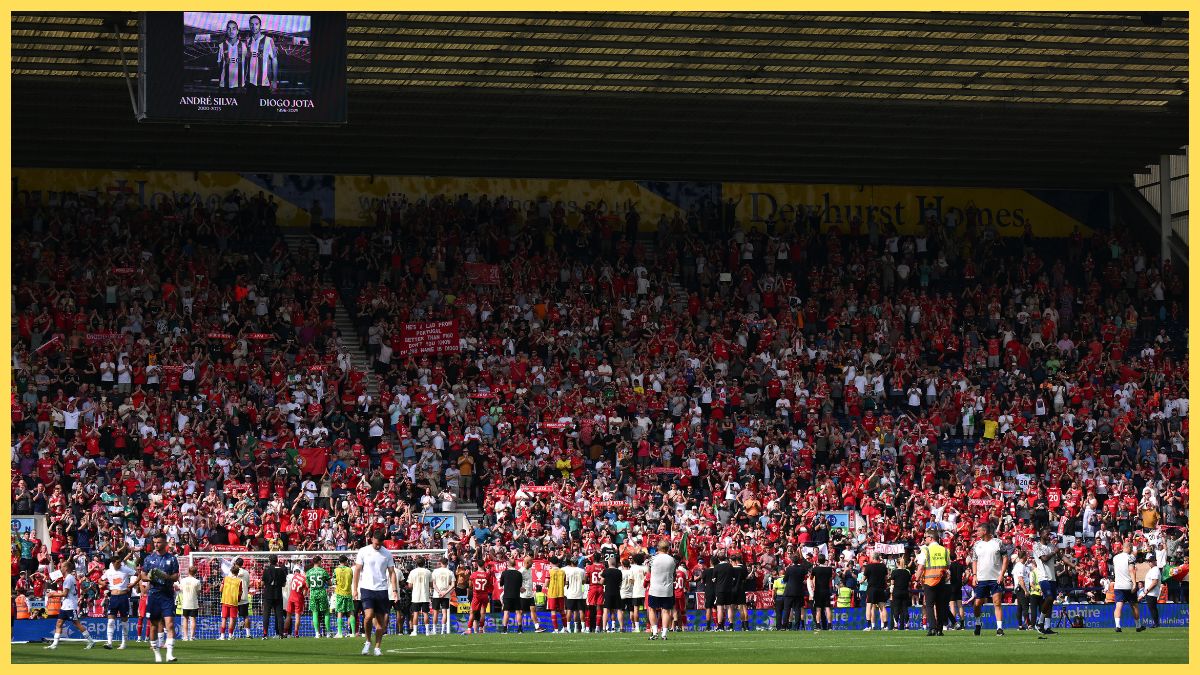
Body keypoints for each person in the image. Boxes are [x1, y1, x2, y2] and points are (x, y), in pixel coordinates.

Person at [353, 528, 396, 656]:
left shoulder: (387, 554)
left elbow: (392, 572)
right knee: (368, 616)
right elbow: (357, 570)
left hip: (382, 590)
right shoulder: (363, 551)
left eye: (380, 544)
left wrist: (394, 590)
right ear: (372, 539)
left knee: (381, 623)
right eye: (376, 543)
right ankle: (367, 641)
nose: (378, 546)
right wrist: (355, 589)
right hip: (367, 588)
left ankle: (377, 647)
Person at [138, 533, 179, 662]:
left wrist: (167, 577)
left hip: (167, 595)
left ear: (165, 543)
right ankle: (157, 654)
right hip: (154, 594)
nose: (156, 544)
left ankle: (169, 654)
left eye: (159, 542)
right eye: (154, 542)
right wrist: (150, 577)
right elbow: (143, 575)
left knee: (170, 624)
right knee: (153, 626)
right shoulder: (149, 558)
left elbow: (176, 576)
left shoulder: (172, 559)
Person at [45, 558, 96, 650]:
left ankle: (91, 641)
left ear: (66, 568)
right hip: (65, 605)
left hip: (70, 606)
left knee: (77, 624)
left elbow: (65, 594)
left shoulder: (68, 579)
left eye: (62, 567)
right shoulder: (69, 578)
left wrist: (53, 594)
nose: (60, 568)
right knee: (59, 623)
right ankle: (54, 644)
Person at [971, 522, 1007, 636]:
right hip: (981, 578)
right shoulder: (977, 544)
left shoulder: (998, 542)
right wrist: (974, 575)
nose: (977, 533)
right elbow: (974, 560)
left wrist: (1002, 574)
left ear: (985, 531)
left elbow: (1005, 558)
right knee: (977, 603)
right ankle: (978, 623)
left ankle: (999, 628)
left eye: (978, 531)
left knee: (997, 602)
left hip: (995, 578)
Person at [916, 528, 949, 637]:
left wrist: (916, 579)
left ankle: (932, 628)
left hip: (929, 581)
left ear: (931, 538)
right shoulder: (945, 550)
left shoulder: (926, 550)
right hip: (941, 580)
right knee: (940, 605)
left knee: (929, 605)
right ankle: (939, 629)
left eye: (926, 537)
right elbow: (947, 565)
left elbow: (920, 567)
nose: (924, 539)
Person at [101, 555, 136, 649]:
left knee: (124, 621)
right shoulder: (108, 572)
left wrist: (133, 584)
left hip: (123, 597)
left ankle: (124, 643)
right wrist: (102, 583)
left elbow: (139, 574)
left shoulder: (125, 569)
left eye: (120, 562)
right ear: (113, 563)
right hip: (113, 597)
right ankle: (109, 643)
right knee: (110, 621)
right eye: (117, 562)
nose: (120, 564)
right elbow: (100, 580)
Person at [646, 539, 677, 640]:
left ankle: (655, 632)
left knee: (652, 609)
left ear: (658, 548)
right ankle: (664, 634)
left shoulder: (652, 559)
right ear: (668, 548)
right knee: (666, 611)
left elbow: (649, 571)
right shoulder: (672, 560)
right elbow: (674, 574)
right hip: (667, 589)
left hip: (655, 588)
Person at [243, 14, 277, 100]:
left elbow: (274, 60)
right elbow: (245, 62)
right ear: (249, 26)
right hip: (249, 83)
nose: (254, 26)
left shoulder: (269, 40)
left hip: (264, 83)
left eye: (256, 24)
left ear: (260, 25)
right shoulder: (247, 41)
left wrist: (274, 80)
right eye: (251, 24)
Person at [1032, 528, 1059, 636]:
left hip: (1052, 577)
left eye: (1049, 534)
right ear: (1041, 534)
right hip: (1043, 577)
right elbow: (1044, 558)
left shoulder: (1051, 546)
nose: (1049, 536)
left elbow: (1062, 557)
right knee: (1049, 598)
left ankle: (1047, 627)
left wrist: (1075, 566)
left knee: (1050, 603)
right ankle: (1039, 623)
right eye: (1047, 534)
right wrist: (1054, 552)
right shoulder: (1037, 546)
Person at [1112, 539, 1141, 633]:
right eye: (1131, 547)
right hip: (1128, 585)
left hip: (1118, 585)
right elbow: (1131, 570)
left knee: (1118, 605)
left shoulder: (1115, 558)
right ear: (1128, 547)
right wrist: (1135, 583)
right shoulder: (1130, 558)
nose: (1131, 549)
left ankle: (1117, 626)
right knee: (1134, 606)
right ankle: (1138, 626)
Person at [261, 554, 288, 639]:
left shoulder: (266, 570)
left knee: (266, 614)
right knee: (279, 615)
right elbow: (284, 584)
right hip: (278, 594)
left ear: (269, 561)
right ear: (277, 560)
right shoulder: (281, 570)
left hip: (268, 595)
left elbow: (262, 583)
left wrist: (267, 584)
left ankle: (265, 634)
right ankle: (281, 634)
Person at [862, 551, 889, 631]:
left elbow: (863, 578)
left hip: (871, 589)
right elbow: (886, 577)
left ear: (873, 557)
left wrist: (860, 581)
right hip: (881, 588)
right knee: (882, 607)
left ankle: (868, 626)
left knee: (869, 607)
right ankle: (885, 626)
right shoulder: (883, 566)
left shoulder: (868, 566)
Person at [216, 19, 246, 91]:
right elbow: (219, 65)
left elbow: (247, 65)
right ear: (226, 31)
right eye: (229, 28)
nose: (231, 31)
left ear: (237, 31)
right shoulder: (221, 46)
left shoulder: (244, 46)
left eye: (233, 28)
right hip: (224, 84)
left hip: (239, 84)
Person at [781, 555, 809, 631]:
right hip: (798, 591)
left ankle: (784, 626)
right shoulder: (802, 569)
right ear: (798, 561)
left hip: (789, 591)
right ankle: (796, 627)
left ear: (792, 561)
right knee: (797, 609)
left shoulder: (789, 569)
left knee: (787, 609)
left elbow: (785, 579)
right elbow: (804, 577)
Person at [407, 557, 433, 636]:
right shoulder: (428, 572)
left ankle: (415, 631)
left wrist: (414, 586)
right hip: (425, 595)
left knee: (415, 613)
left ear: (416, 563)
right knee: (425, 613)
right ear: (424, 563)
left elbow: (410, 585)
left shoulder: (412, 572)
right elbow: (431, 584)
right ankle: (427, 631)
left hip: (416, 595)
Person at [219, 559, 244, 641]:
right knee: (232, 619)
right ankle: (230, 635)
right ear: (238, 572)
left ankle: (222, 636)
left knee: (224, 618)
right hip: (233, 602)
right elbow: (240, 593)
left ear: (231, 571)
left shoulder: (225, 579)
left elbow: (220, 589)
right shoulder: (239, 581)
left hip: (225, 601)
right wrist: (238, 599)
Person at [306, 556, 332, 638]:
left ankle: (317, 633)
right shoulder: (323, 571)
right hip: (322, 593)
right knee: (326, 612)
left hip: (313, 594)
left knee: (315, 612)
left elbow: (307, 585)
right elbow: (330, 583)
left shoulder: (309, 572)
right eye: (321, 561)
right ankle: (328, 633)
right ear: (319, 562)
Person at [431, 557, 456, 635]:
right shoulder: (450, 572)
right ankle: (442, 631)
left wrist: (439, 592)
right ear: (447, 563)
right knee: (444, 612)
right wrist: (445, 593)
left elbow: (433, 584)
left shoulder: (435, 571)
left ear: (440, 563)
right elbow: (453, 585)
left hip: (437, 594)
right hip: (446, 595)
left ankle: (434, 630)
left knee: (435, 612)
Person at [468, 558, 494, 635]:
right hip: (484, 595)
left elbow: (470, 585)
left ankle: (469, 628)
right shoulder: (487, 574)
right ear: (484, 565)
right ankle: (481, 628)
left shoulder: (474, 574)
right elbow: (489, 585)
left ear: (477, 565)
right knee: (483, 612)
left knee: (472, 612)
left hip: (476, 595)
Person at [333, 555, 356, 638]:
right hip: (348, 593)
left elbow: (334, 582)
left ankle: (340, 633)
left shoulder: (336, 570)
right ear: (346, 561)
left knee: (340, 612)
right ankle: (353, 633)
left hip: (339, 593)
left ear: (339, 561)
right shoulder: (350, 570)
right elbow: (351, 580)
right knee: (351, 612)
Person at [809, 554, 834, 631]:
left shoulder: (815, 569)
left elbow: (811, 578)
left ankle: (818, 626)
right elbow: (831, 578)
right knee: (827, 608)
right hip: (826, 590)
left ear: (818, 560)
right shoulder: (829, 569)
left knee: (818, 608)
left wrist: (812, 585)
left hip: (818, 591)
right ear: (824, 560)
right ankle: (829, 626)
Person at [499, 557, 524, 633]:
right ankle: (520, 629)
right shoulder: (519, 574)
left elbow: (501, 584)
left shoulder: (504, 573)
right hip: (516, 595)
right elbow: (520, 585)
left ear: (508, 564)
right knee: (518, 612)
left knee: (506, 612)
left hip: (507, 595)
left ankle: (504, 629)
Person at [889, 554, 913, 630]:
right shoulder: (907, 572)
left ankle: (896, 625)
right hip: (905, 592)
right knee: (905, 608)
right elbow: (909, 583)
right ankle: (907, 625)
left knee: (896, 608)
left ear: (897, 563)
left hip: (897, 592)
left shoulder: (894, 572)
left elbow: (892, 583)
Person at [562, 557, 587, 633]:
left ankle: (568, 628)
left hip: (571, 593)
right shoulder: (582, 571)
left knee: (569, 610)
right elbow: (584, 582)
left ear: (571, 563)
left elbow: (566, 583)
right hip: (579, 593)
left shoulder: (568, 571)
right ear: (577, 563)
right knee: (581, 610)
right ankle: (583, 628)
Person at [519, 555, 544, 632]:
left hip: (530, 595)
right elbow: (516, 581)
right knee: (521, 612)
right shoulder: (521, 571)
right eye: (531, 562)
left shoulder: (530, 569)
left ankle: (537, 627)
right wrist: (519, 588)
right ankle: (519, 628)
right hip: (523, 595)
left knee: (533, 610)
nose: (532, 563)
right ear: (527, 562)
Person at [177, 568, 202, 642]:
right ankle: (192, 636)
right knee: (193, 619)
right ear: (195, 572)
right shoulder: (197, 581)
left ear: (188, 571)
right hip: (193, 603)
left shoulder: (183, 580)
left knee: (185, 619)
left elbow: (181, 589)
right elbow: (198, 592)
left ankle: (185, 637)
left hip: (185, 602)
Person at [712, 552, 735, 631]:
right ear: (725, 558)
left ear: (718, 559)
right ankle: (731, 625)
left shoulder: (717, 567)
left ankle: (720, 626)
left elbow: (713, 580)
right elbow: (733, 578)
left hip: (720, 589)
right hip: (729, 589)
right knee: (729, 607)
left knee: (720, 608)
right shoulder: (730, 566)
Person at [1139, 553, 1162, 629]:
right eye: (1148, 561)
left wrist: (1147, 590)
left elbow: (1154, 582)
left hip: (1152, 592)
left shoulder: (1155, 569)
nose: (1149, 563)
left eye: (1150, 561)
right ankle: (1156, 623)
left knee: (1152, 608)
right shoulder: (1152, 569)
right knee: (1152, 608)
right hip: (1150, 592)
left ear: (1154, 561)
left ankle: (1156, 623)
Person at [601, 556, 624, 632]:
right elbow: (620, 582)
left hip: (608, 592)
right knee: (619, 610)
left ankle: (604, 628)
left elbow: (601, 582)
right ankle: (621, 628)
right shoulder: (619, 572)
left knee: (606, 610)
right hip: (617, 592)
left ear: (609, 563)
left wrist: (599, 579)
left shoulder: (606, 571)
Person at [584, 552, 605, 633]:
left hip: (592, 588)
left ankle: (587, 628)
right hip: (600, 588)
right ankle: (597, 628)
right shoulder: (602, 567)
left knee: (589, 607)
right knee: (599, 607)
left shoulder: (589, 567)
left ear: (593, 558)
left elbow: (585, 578)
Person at [1011, 549, 1031, 631]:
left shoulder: (1019, 565)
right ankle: (1029, 625)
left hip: (1019, 588)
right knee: (1025, 607)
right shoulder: (1020, 566)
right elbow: (1020, 579)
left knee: (1020, 607)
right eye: (1026, 555)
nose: (1027, 557)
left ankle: (1020, 625)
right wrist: (1025, 590)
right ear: (1024, 556)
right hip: (1021, 589)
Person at [628, 553, 649, 632]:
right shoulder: (646, 568)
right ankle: (648, 627)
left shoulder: (633, 568)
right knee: (648, 609)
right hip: (645, 591)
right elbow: (649, 578)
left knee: (636, 609)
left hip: (636, 591)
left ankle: (637, 628)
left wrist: (635, 582)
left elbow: (631, 580)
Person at [545, 557, 567, 633]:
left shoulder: (549, 571)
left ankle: (556, 629)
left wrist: (546, 586)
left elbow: (546, 582)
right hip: (560, 593)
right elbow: (564, 583)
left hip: (552, 594)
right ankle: (565, 629)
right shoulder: (563, 572)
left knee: (553, 611)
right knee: (562, 611)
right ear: (558, 563)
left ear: (550, 563)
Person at [285, 565, 308, 638]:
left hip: (291, 597)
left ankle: (285, 632)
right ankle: (296, 633)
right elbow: (304, 594)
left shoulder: (295, 576)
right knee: (297, 616)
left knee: (288, 616)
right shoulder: (305, 580)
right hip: (298, 599)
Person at [235, 557, 252, 639]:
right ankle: (248, 634)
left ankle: (232, 635)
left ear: (235, 563)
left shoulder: (232, 572)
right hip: (244, 596)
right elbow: (248, 585)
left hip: (234, 597)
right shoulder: (246, 573)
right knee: (246, 616)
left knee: (233, 616)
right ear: (242, 564)